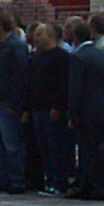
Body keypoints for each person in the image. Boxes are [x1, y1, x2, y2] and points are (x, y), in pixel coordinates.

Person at [67, 20, 104, 199]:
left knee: (88, 150)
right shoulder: (101, 54)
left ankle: (93, 186)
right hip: (102, 107)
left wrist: (72, 113)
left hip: (86, 110)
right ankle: (102, 184)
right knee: (101, 149)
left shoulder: (78, 57)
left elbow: (76, 88)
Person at [0, 9, 29, 194]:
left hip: (5, 101)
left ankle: (17, 180)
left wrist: (14, 102)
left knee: (11, 143)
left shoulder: (15, 45)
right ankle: (2, 179)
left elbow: (20, 76)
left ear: (1, 25)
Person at [25, 23, 71, 196]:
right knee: (43, 148)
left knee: (56, 147)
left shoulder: (61, 57)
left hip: (53, 111)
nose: (35, 38)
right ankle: (49, 180)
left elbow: (64, 84)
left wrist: (58, 107)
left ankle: (60, 182)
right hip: (37, 110)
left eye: (39, 34)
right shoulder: (36, 57)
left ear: (50, 36)